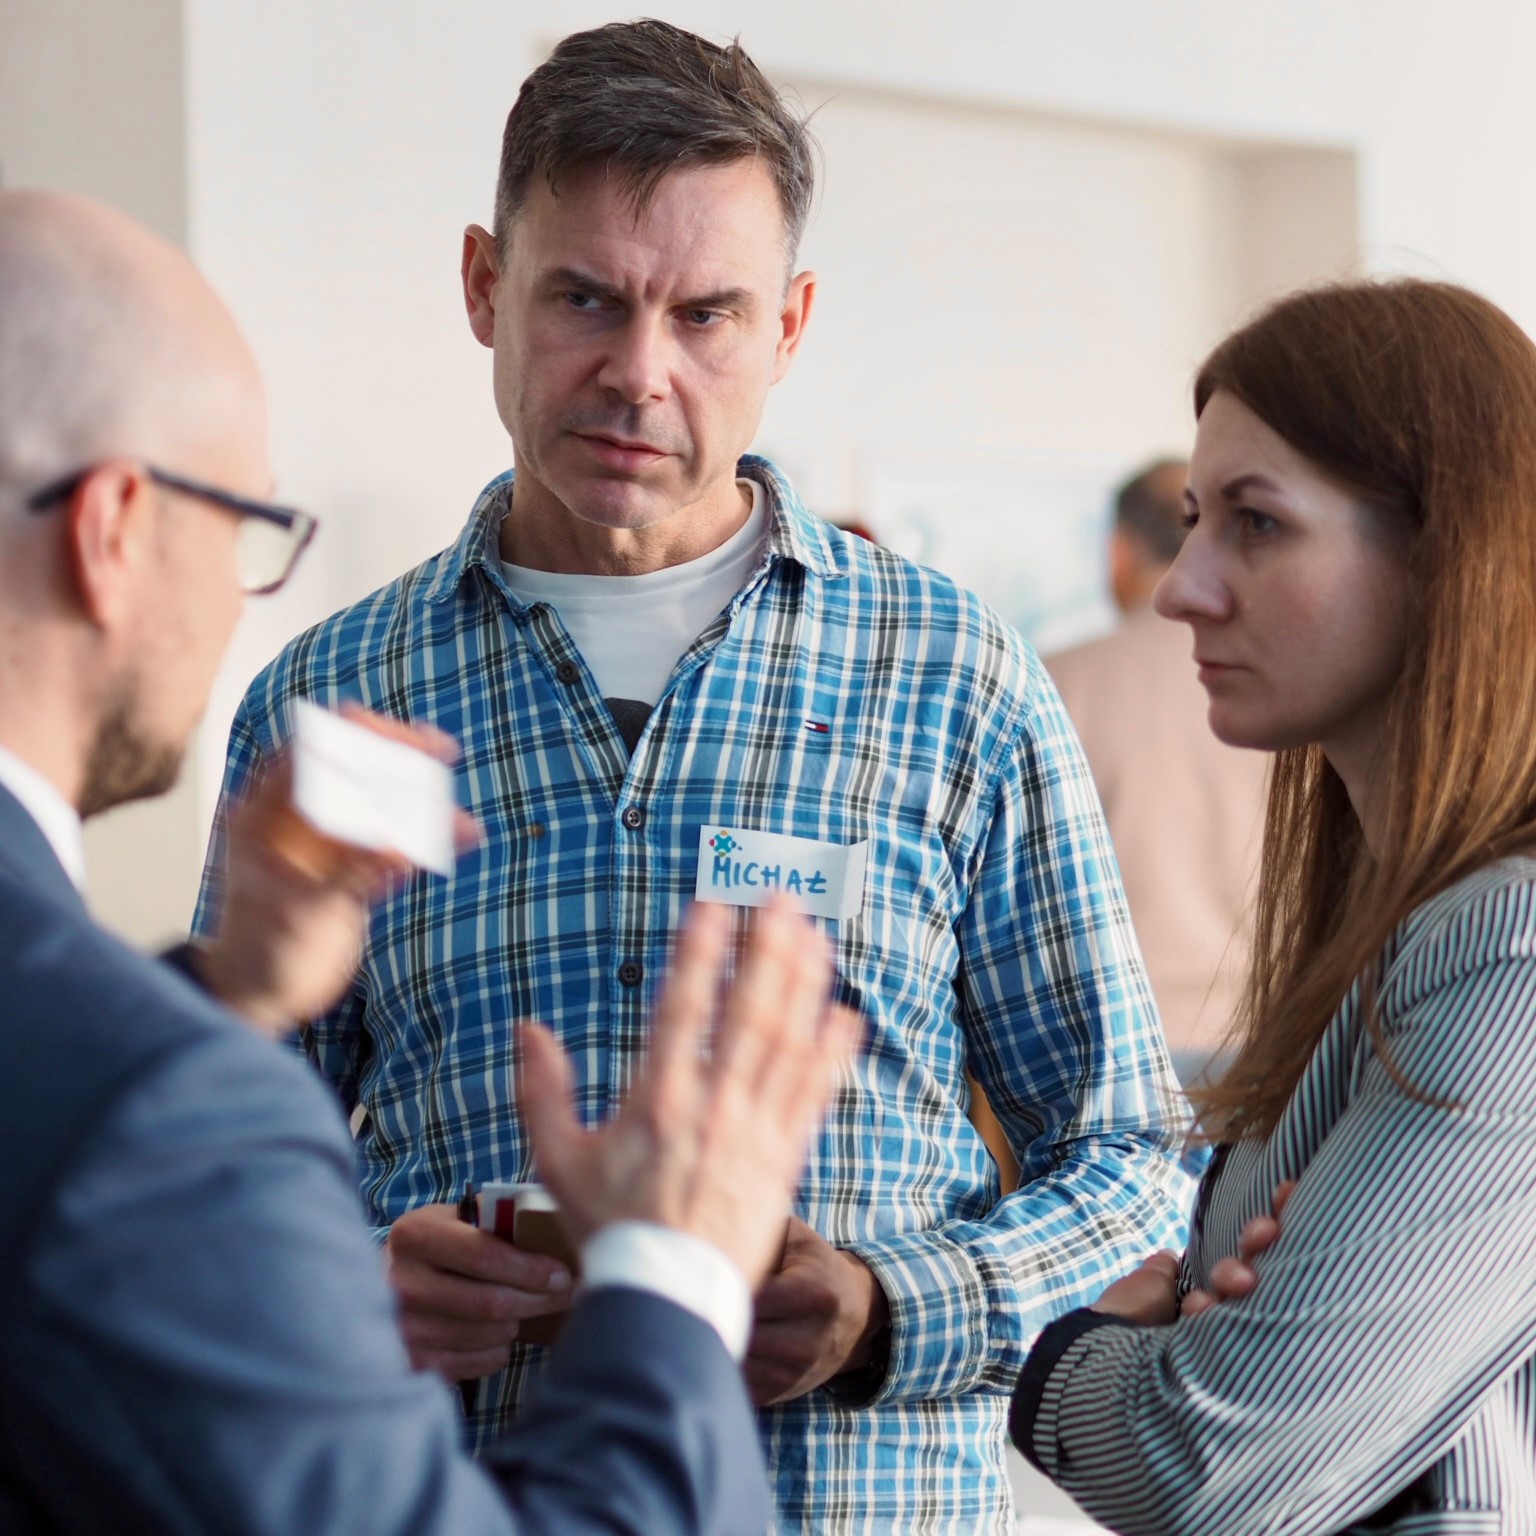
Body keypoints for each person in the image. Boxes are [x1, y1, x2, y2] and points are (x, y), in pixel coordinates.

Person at [193, 18, 1194, 1532]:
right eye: (584, 299)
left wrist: (891, 1304)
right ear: (484, 286)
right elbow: (208, 1159)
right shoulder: (333, 702)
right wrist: (350, 1282)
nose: (639, 373)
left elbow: (1129, 1156)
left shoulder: (952, 675)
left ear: (789, 327)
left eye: (706, 315)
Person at [0, 186, 858, 1536]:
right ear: (113, 530)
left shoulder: (127, 1067)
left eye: (705, 313)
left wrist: (223, 997)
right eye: (238, 521)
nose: (239, 588)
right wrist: (677, 1268)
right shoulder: (155, 1090)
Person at [1010, 277, 1536, 1533]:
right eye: (1194, 521)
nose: (1185, 588)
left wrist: (1063, 1349)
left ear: (1444, 548)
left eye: (1256, 524)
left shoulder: (1506, 950)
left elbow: (1208, 1467)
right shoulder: (1408, 925)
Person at [1047, 459, 1267, 1083]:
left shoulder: (1055, 682)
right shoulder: (1282, 686)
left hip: (1109, 1053)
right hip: (1269, 1042)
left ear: (1118, 554)